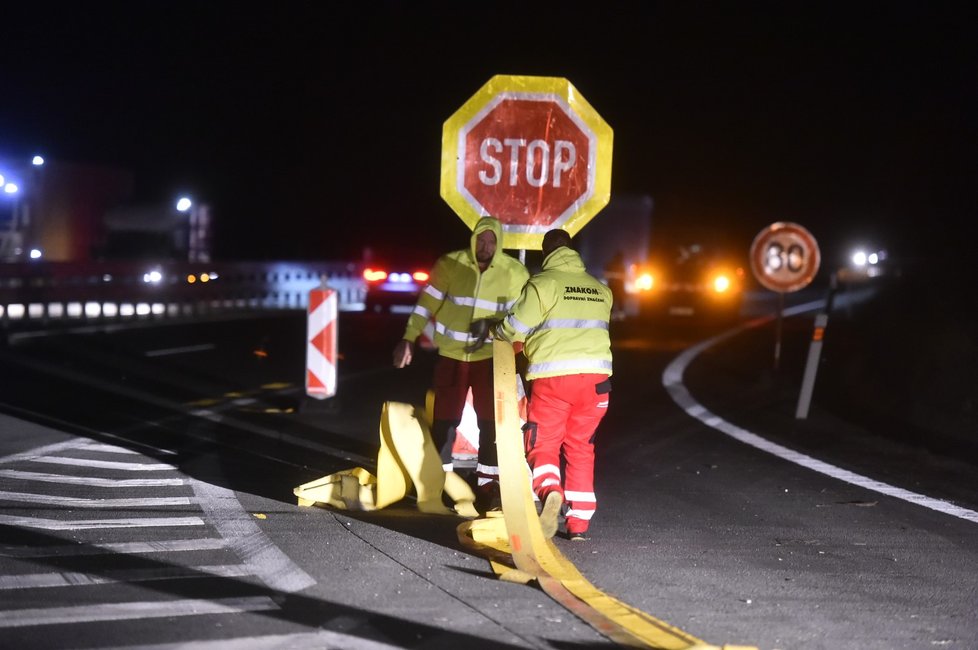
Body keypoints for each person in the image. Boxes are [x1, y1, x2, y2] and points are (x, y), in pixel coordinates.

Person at [393, 216, 529, 512]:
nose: (485, 246)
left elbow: (524, 318)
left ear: (500, 243)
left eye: (492, 241)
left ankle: (487, 487)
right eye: (481, 239)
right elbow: (425, 305)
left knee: (490, 424)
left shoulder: (514, 273)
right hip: (452, 356)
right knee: (444, 421)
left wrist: (494, 326)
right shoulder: (450, 265)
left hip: (491, 358)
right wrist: (408, 337)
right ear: (473, 239)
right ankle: (437, 484)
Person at [491, 228, 612, 541]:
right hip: (598, 382)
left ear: (545, 253)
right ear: (572, 251)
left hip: (554, 380)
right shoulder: (600, 289)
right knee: (581, 448)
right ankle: (579, 524)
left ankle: (549, 492)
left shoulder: (542, 284)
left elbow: (516, 326)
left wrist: (501, 332)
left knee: (543, 444)